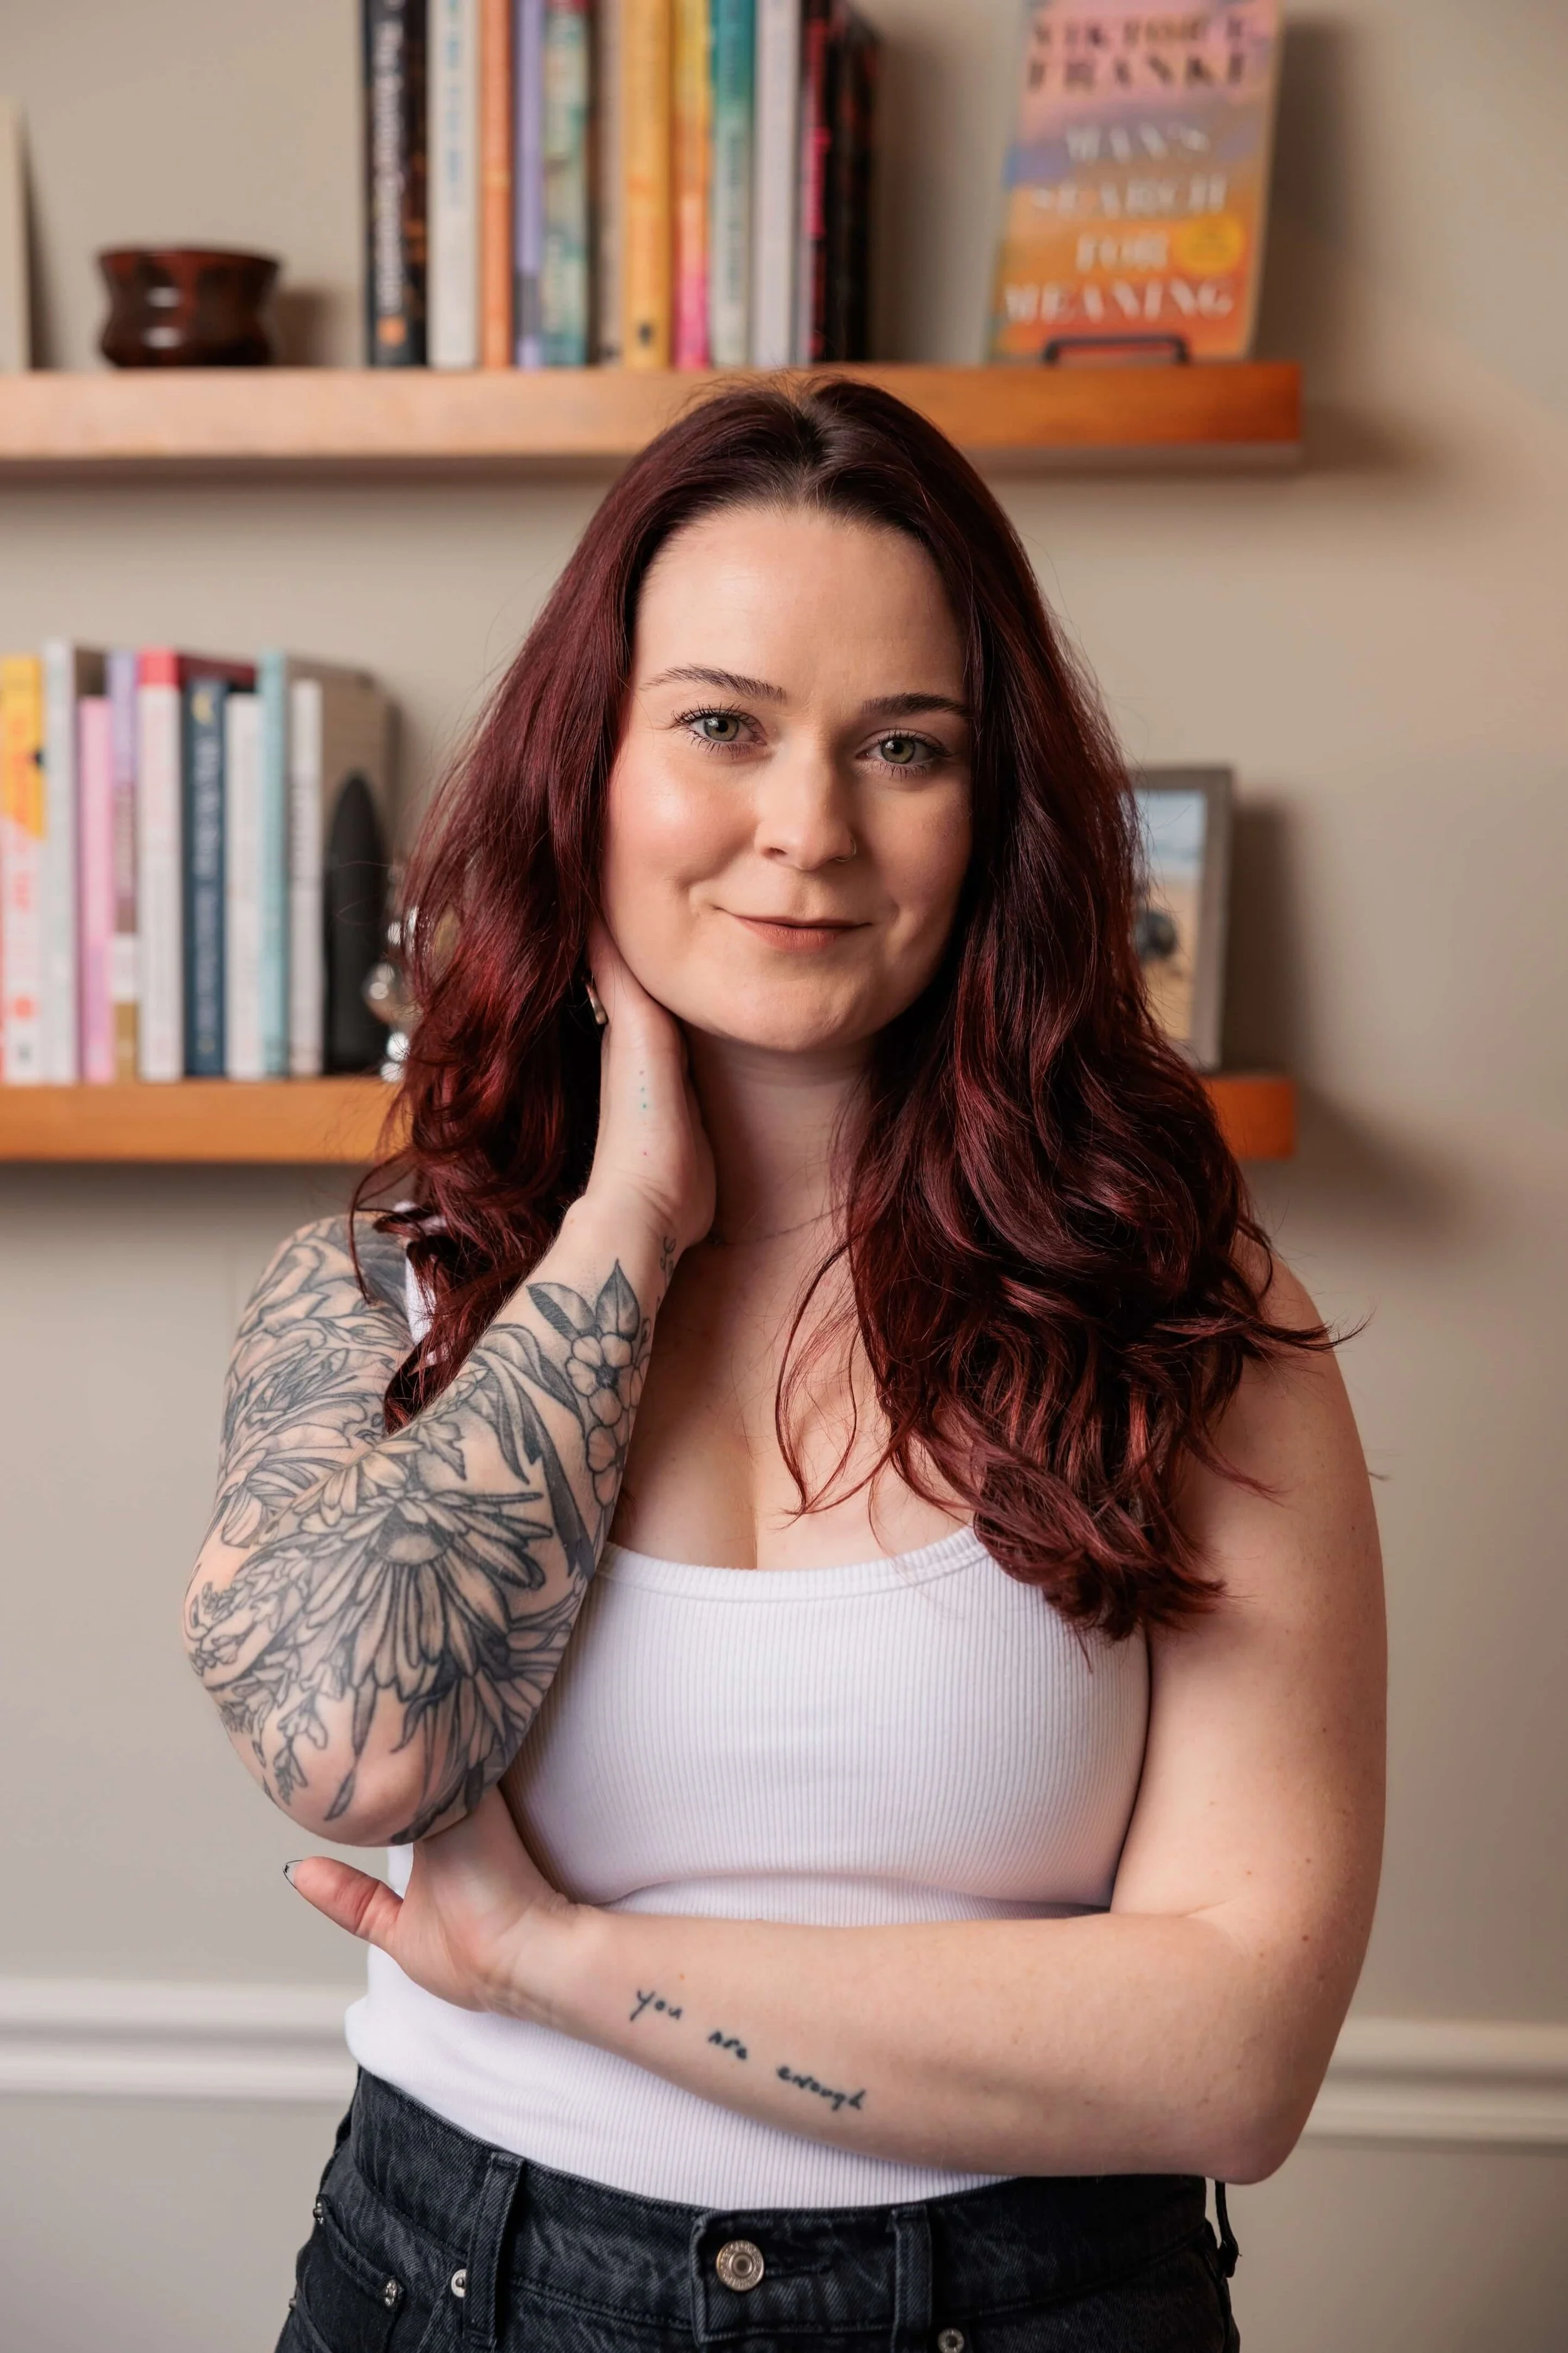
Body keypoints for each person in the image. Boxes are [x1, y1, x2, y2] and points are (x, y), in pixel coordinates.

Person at [184, 380, 1384, 2353]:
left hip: (1031, 2306)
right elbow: (348, 1752)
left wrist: (562, 1960)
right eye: (722, 723)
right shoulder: (378, 1289)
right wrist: (628, 1217)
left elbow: (1234, 2054)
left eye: (901, 746)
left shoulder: (1171, 1307)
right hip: (463, 2284)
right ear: (591, 768)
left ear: (989, 810)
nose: (805, 831)